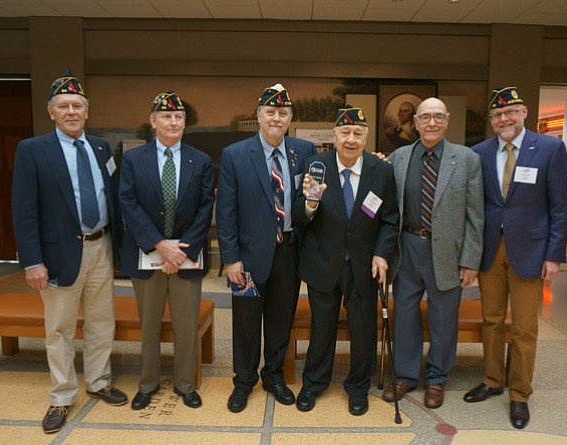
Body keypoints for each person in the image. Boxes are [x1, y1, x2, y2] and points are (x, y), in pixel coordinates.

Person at [11, 70, 127, 434]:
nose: (71, 111)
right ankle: (61, 396)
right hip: (59, 255)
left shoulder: (100, 148)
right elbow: (24, 210)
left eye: (77, 105)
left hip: (101, 247)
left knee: (101, 321)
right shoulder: (32, 151)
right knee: (59, 329)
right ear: (51, 112)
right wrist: (33, 262)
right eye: (64, 106)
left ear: (87, 112)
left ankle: (98, 380)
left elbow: (113, 197)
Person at [464, 86, 567, 429]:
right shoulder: (479, 152)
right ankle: (494, 380)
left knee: (525, 328)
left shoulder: (550, 149)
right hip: (490, 250)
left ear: (524, 112)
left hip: (531, 250)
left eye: (510, 112)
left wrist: (554, 254)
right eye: (497, 115)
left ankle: (520, 393)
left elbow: (561, 206)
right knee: (492, 320)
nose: (503, 119)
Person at [293, 105, 399, 416]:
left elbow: (390, 219)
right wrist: (310, 204)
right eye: (344, 132)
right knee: (322, 327)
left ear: (366, 138)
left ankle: (357, 387)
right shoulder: (315, 165)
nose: (350, 139)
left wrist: (382, 253)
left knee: (363, 329)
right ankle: (314, 383)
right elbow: (300, 215)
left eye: (357, 133)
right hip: (323, 262)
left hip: (365, 265)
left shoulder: (382, 171)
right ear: (334, 136)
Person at [217, 84, 316, 413]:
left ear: (290, 118)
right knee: (246, 322)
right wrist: (230, 258)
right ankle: (243, 380)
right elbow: (226, 211)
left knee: (280, 319)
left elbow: (306, 201)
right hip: (247, 257)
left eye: (282, 113)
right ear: (258, 115)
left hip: (288, 252)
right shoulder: (235, 154)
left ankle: (273, 375)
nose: (276, 118)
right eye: (270, 112)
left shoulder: (303, 151)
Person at [382, 97, 484, 409]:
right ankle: (406, 375)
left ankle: (437, 379)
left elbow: (475, 215)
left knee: (443, 319)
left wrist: (470, 260)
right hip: (407, 248)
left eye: (438, 117)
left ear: (447, 120)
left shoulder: (466, 159)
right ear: (414, 121)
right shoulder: (398, 158)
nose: (431, 123)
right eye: (425, 117)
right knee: (405, 315)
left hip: (447, 253)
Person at [119, 91, 214, 411]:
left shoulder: (200, 160)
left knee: (186, 325)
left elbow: (205, 207)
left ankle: (185, 384)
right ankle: (147, 383)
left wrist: (180, 251)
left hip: (187, 255)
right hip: (148, 254)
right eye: (167, 117)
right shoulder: (134, 159)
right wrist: (160, 245)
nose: (174, 122)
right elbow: (128, 203)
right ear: (153, 121)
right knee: (149, 325)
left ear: (185, 123)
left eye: (179, 117)